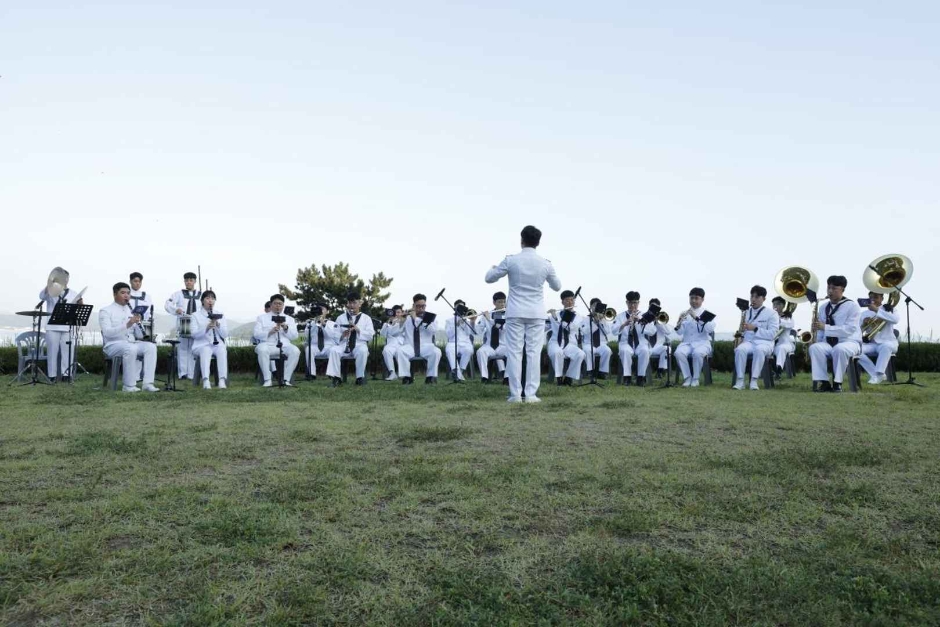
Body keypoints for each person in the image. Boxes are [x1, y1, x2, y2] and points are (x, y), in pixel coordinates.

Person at [485, 225, 562, 402]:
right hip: (536, 312)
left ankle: (515, 394)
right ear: (538, 242)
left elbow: (489, 278)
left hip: (515, 312)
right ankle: (531, 394)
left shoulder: (511, 260)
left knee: (514, 353)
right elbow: (557, 286)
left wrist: (493, 267)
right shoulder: (546, 263)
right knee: (534, 353)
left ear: (521, 240)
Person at [99, 282, 159, 393]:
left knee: (151, 347)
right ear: (114, 294)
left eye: (128, 293)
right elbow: (107, 333)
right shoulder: (105, 311)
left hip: (131, 342)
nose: (126, 296)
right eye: (123, 293)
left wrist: (139, 323)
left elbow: (138, 335)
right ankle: (129, 386)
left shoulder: (131, 311)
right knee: (130, 348)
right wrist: (127, 324)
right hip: (112, 345)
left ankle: (148, 383)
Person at [808, 275, 862, 393]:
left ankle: (837, 383)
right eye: (828, 288)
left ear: (842, 289)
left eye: (834, 288)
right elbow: (821, 330)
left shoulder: (852, 306)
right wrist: (816, 339)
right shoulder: (823, 307)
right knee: (815, 348)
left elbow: (850, 329)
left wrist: (826, 327)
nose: (830, 291)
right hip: (828, 342)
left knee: (839, 349)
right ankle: (824, 382)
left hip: (849, 342)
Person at [38, 267, 83, 381]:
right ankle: (52, 375)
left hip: (67, 326)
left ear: (68, 279)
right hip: (52, 326)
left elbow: (79, 307)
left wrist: (80, 304)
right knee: (52, 351)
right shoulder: (51, 291)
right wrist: (50, 284)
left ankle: (66, 375)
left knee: (68, 351)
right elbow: (41, 296)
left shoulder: (73, 293)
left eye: (65, 278)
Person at [732, 285, 780, 390]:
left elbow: (773, 334)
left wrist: (755, 329)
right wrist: (740, 336)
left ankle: (754, 381)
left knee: (759, 350)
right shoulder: (746, 311)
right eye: (752, 296)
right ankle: (740, 381)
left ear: (764, 299)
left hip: (765, 343)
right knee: (740, 350)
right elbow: (742, 331)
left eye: (757, 297)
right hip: (749, 342)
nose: (753, 299)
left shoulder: (772, 313)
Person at [326, 293, 375, 387]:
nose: (352, 305)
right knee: (333, 350)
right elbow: (335, 335)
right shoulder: (341, 318)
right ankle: (336, 378)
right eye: (350, 303)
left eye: (354, 303)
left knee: (363, 351)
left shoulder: (366, 318)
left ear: (360, 303)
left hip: (359, 344)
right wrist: (342, 335)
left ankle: (359, 378)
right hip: (344, 344)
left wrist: (357, 329)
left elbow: (370, 335)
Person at [253, 294, 300, 387]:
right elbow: (256, 334)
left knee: (296, 351)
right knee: (262, 350)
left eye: (280, 304)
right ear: (271, 305)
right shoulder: (261, 318)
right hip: (268, 345)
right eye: (275, 303)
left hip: (285, 345)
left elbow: (294, 336)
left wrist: (286, 328)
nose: (278, 306)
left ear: (283, 305)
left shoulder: (290, 319)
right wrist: (270, 332)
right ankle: (267, 379)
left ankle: (286, 379)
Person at [674, 287, 716, 387]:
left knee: (697, 353)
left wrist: (697, 318)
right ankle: (687, 378)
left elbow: (709, 329)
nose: (693, 301)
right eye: (691, 298)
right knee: (678, 353)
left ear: (702, 300)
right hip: (687, 343)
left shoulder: (707, 313)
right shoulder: (684, 313)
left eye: (696, 298)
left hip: (703, 342)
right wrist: (679, 323)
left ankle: (695, 379)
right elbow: (679, 333)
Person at [396, 294, 442, 384]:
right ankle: (407, 377)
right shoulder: (407, 317)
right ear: (413, 306)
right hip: (410, 346)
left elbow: (433, 330)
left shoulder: (430, 317)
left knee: (436, 351)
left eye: (423, 306)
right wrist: (401, 321)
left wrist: (416, 318)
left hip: (426, 347)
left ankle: (430, 377)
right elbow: (398, 332)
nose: (421, 308)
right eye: (418, 306)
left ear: (425, 305)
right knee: (399, 351)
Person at [613, 291, 656, 386]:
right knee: (625, 351)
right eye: (630, 303)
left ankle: (641, 377)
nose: (633, 305)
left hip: (641, 343)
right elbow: (614, 331)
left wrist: (641, 322)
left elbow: (652, 331)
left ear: (638, 303)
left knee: (645, 351)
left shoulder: (646, 315)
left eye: (635, 303)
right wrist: (624, 324)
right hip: (625, 343)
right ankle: (627, 378)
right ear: (626, 303)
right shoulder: (620, 316)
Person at [164, 272, 201, 380]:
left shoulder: (201, 294)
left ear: (195, 281)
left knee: (194, 348)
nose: (189, 282)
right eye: (187, 280)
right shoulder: (178, 294)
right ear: (184, 281)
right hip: (183, 322)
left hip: (196, 324)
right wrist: (176, 309)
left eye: (191, 280)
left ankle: (193, 373)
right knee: (183, 348)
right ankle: (183, 373)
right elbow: (167, 304)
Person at [857, 291, 900, 384]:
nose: (873, 300)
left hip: (888, 342)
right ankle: (877, 375)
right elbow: (856, 332)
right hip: (872, 344)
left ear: (882, 298)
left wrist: (877, 310)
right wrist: (863, 324)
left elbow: (895, 320)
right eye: (871, 297)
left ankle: (879, 374)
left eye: (876, 297)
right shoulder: (864, 314)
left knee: (886, 347)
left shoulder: (889, 309)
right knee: (856, 350)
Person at [191, 290, 229, 389]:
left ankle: (222, 380)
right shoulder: (195, 315)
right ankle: (206, 380)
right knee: (206, 350)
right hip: (200, 344)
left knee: (222, 349)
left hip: (216, 344)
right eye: (207, 298)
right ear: (202, 301)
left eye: (212, 298)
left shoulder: (220, 314)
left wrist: (218, 325)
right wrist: (206, 328)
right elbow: (194, 334)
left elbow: (225, 335)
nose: (210, 301)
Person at [546, 291, 585, 385]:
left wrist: (556, 318)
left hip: (570, 344)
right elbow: (544, 327)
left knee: (581, 354)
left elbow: (569, 327)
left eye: (572, 300)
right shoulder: (556, 314)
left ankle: (568, 378)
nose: (570, 302)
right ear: (562, 302)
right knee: (557, 352)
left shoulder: (578, 317)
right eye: (567, 300)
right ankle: (559, 379)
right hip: (555, 343)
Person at [475, 292, 508, 383]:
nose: (502, 304)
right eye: (499, 302)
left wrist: (489, 320)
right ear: (494, 302)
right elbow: (478, 332)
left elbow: (503, 328)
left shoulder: (509, 315)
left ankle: (507, 377)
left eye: (504, 302)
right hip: (489, 345)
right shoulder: (487, 314)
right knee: (480, 352)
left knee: (512, 352)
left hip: (503, 345)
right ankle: (484, 377)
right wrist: (473, 321)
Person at [444, 299, 479, 381]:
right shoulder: (449, 321)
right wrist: (456, 324)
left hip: (465, 343)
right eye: (459, 306)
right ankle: (456, 372)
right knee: (449, 351)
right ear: (455, 308)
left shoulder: (467, 320)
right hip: (453, 343)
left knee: (469, 350)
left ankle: (459, 372)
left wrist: (472, 322)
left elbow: (472, 333)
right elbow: (449, 334)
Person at [578, 298, 613, 379]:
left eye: (598, 306)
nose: (595, 307)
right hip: (588, 343)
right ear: (590, 307)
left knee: (607, 351)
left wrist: (601, 321)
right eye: (594, 306)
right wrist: (594, 322)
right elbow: (585, 332)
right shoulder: (585, 319)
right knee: (588, 350)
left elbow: (607, 331)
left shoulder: (604, 319)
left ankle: (602, 372)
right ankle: (590, 371)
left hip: (601, 344)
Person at [304, 305, 339, 380]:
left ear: (327, 311)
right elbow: (307, 335)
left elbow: (333, 336)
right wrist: (314, 324)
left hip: (328, 346)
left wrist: (324, 324)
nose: (320, 311)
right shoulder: (310, 322)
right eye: (319, 309)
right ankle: (311, 374)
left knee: (334, 351)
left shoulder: (332, 323)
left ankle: (332, 374)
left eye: (322, 309)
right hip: (315, 345)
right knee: (308, 350)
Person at [646, 298, 673, 378]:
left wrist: (659, 322)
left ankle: (660, 371)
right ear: (649, 306)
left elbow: (668, 332)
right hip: (646, 346)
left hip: (657, 347)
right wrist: (650, 320)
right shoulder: (643, 317)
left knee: (667, 349)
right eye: (652, 306)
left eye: (656, 307)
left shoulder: (661, 317)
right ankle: (641, 374)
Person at [771, 296, 796, 377]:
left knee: (781, 349)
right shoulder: (771, 317)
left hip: (786, 343)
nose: (775, 306)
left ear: (783, 306)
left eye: (778, 304)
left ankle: (778, 371)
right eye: (774, 304)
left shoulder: (788, 317)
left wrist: (778, 321)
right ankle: (770, 371)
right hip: (773, 344)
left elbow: (790, 325)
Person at [380, 305, 405, 380]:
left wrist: (399, 322)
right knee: (386, 351)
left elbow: (397, 332)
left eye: (399, 312)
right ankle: (392, 373)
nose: (397, 314)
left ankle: (404, 373)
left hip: (401, 344)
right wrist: (389, 323)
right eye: (395, 312)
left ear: (402, 313)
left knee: (400, 352)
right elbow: (382, 334)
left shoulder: (404, 322)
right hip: (391, 344)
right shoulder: (387, 323)